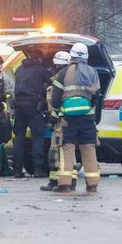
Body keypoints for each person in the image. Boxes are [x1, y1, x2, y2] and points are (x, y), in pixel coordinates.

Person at [50, 43, 101, 193]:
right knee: (89, 149)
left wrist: (55, 113)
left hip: (68, 119)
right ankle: (92, 184)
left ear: (71, 55)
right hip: (87, 118)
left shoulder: (63, 73)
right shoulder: (92, 72)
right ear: (86, 56)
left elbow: (55, 98)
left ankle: (65, 185)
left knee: (67, 149)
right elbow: (97, 95)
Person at [12, 49, 52, 178]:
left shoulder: (19, 69)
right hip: (33, 106)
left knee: (19, 138)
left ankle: (17, 170)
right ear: (39, 59)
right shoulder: (40, 69)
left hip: (18, 106)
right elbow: (53, 82)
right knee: (38, 137)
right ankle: (38, 169)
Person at [41, 51, 76, 192]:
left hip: (62, 121)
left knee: (59, 152)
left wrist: (53, 117)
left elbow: (57, 102)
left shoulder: (61, 80)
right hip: (63, 120)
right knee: (62, 152)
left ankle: (61, 181)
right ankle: (61, 180)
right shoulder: (66, 78)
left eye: (56, 65)